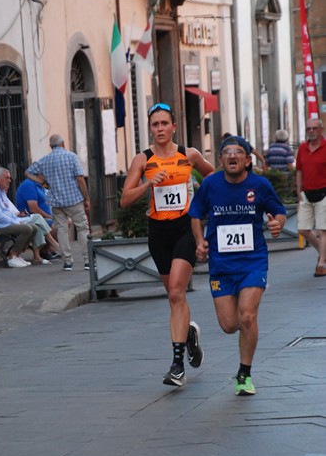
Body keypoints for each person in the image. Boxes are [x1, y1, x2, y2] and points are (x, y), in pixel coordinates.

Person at [120, 102, 214, 387]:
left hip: (185, 228)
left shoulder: (189, 155)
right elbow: (125, 200)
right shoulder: (143, 160)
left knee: (175, 293)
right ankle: (189, 334)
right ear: (150, 129)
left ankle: (177, 365)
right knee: (175, 296)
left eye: (164, 123)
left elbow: (214, 178)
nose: (160, 129)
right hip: (158, 232)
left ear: (174, 126)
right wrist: (149, 183)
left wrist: (201, 203)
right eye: (155, 124)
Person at [189, 135, 286, 396]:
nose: (232, 156)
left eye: (238, 152)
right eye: (227, 153)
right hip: (221, 265)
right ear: (220, 159)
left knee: (246, 315)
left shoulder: (260, 185)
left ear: (247, 159)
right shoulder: (209, 184)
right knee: (229, 325)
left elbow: (279, 211)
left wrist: (278, 223)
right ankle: (195, 333)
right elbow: (196, 214)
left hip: (253, 261)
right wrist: (199, 241)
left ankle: (244, 374)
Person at [25, 134, 91, 271]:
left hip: (56, 201)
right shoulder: (71, 156)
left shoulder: (45, 160)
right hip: (74, 199)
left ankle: (67, 261)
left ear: (51, 146)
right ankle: (87, 260)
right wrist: (86, 197)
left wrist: (42, 182)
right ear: (63, 144)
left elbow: (28, 172)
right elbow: (80, 178)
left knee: (62, 230)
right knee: (82, 228)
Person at [0, 168, 59, 268]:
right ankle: (13, 255)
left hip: (7, 222)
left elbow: (10, 207)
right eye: (7, 178)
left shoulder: (1, 192)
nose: (9, 180)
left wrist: (18, 214)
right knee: (27, 228)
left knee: (35, 224)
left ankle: (24, 254)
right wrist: (16, 222)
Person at [296, 118, 326, 277]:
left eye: (315, 128)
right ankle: (323, 253)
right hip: (306, 193)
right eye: (309, 129)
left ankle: (322, 263)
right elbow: (299, 170)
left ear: (321, 130)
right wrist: (298, 189)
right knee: (303, 229)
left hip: (324, 192)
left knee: (323, 230)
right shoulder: (302, 148)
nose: (312, 131)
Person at [15, 177, 60, 260]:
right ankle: (45, 249)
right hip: (29, 218)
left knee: (66, 221)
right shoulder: (29, 185)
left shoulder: (39, 185)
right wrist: (49, 216)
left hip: (39, 217)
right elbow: (33, 208)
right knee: (55, 225)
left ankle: (49, 247)